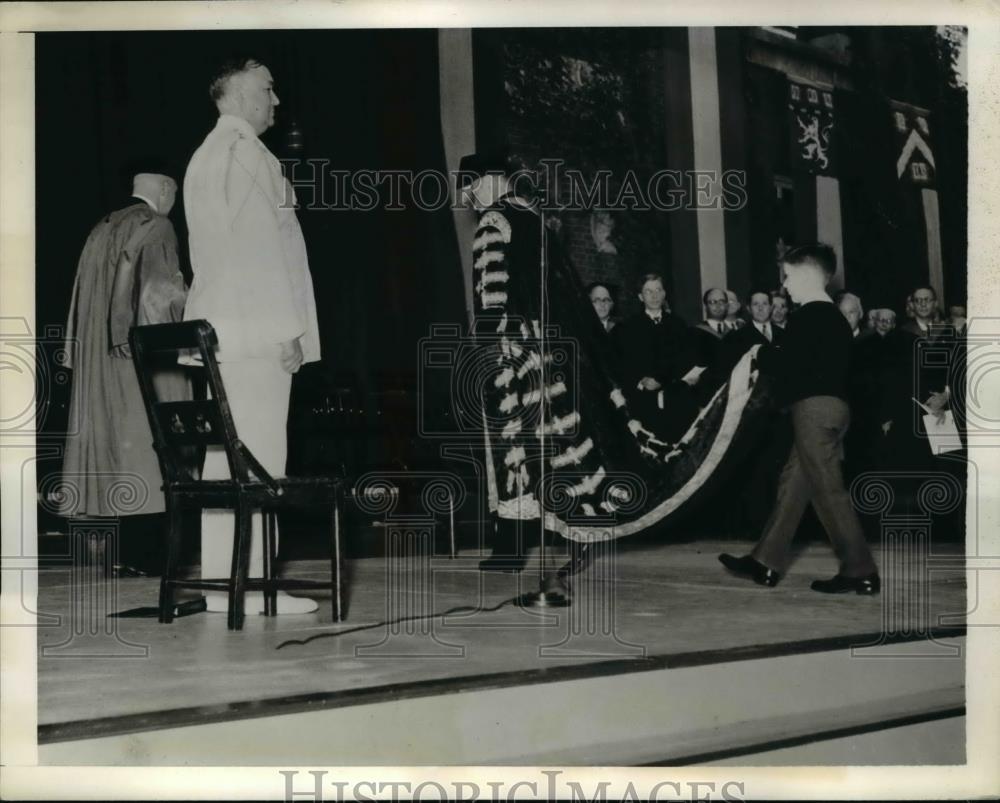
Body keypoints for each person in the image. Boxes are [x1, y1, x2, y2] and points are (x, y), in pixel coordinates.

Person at [183, 56, 320, 615]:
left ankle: (225, 584)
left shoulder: (205, 155)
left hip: (225, 334)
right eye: (268, 88)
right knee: (261, 458)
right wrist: (288, 330)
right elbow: (262, 252)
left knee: (226, 460)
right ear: (239, 94)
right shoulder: (247, 154)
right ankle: (257, 587)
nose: (276, 99)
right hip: (256, 332)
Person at [719, 244, 880, 594]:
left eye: (788, 277)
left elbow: (787, 366)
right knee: (795, 482)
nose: (784, 286)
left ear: (806, 276)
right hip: (834, 409)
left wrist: (761, 351)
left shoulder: (809, 316)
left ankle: (860, 569)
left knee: (827, 490)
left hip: (814, 409)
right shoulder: (834, 318)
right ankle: (765, 561)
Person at [58, 169, 189, 576]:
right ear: (166, 191)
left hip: (97, 360)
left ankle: (123, 553)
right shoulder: (157, 225)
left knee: (117, 454)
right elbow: (162, 298)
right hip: (140, 357)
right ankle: (154, 557)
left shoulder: (103, 226)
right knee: (154, 449)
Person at [612, 274, 702, 444]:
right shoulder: (628, 327)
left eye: (658, 290)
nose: (654, 296)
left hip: (676, 397)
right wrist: (641, 380)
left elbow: (686, 360)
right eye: (648, 291)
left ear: (664, 294)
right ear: (640, 297)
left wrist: (664, 380)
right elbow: (624, 364)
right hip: (644, 400)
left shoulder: (678, 324)